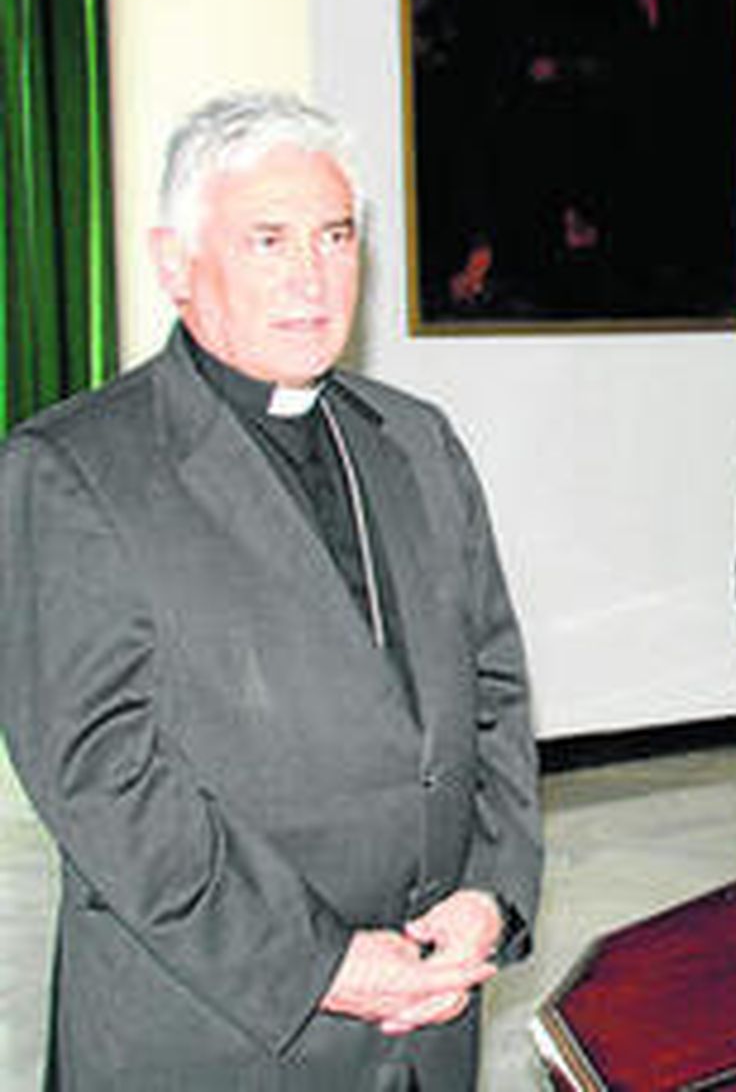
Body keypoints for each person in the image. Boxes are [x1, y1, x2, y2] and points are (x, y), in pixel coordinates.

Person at [0, 92, 542, 1090]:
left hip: (429, 1022)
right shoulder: (74, 468)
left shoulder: (415, 440)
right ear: (175, 264)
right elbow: (103, 781)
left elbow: (493, 686)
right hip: (222, 1034)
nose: (312, 276)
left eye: (336, 236)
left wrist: (491, 894)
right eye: (267, 240)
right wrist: (324, 963)